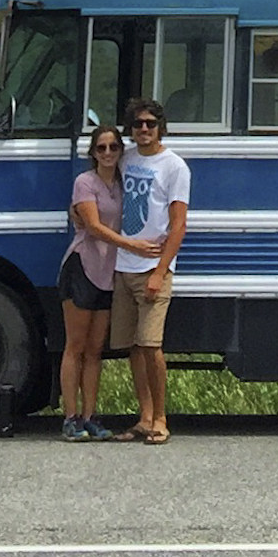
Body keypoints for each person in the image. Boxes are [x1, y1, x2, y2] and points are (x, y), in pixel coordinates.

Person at [59, 119, 158, 441]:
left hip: (107, 273)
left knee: (95, 349)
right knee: (75, 346)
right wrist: (133, 246)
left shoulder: (122, 182)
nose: (108, 153)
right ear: (93, 152)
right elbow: (92, 226)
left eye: (114, 147)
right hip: (82, 267)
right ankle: (70, 417)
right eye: (101, 148)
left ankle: (90, 416)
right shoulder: (84, 183)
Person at [110, 96, 189, 444]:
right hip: (123, 266)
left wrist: (160, 271)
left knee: (151, 344)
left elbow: (178, 224)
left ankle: (161, 417)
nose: (144, 129)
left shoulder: (174, 167)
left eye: (150, 124)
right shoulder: (125, 160)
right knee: (134, 347)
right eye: (138, 124)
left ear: (161, 128)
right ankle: (143, 416)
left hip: (153, 268)